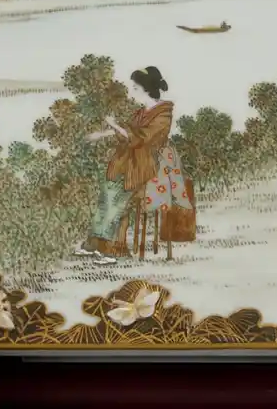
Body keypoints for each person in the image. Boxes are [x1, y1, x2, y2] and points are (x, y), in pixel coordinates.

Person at [76, 66, 193, 264]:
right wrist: (102, 134)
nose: (133, 91)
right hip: (130, 160)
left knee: (118, 196)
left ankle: (112, 249)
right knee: (107, 192)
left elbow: (141, 138)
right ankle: (95, 243)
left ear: (147, 89)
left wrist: (113, 125)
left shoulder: (163, 114)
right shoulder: (142, 112)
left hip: (146, 163)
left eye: (136, 88)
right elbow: (126, 133)